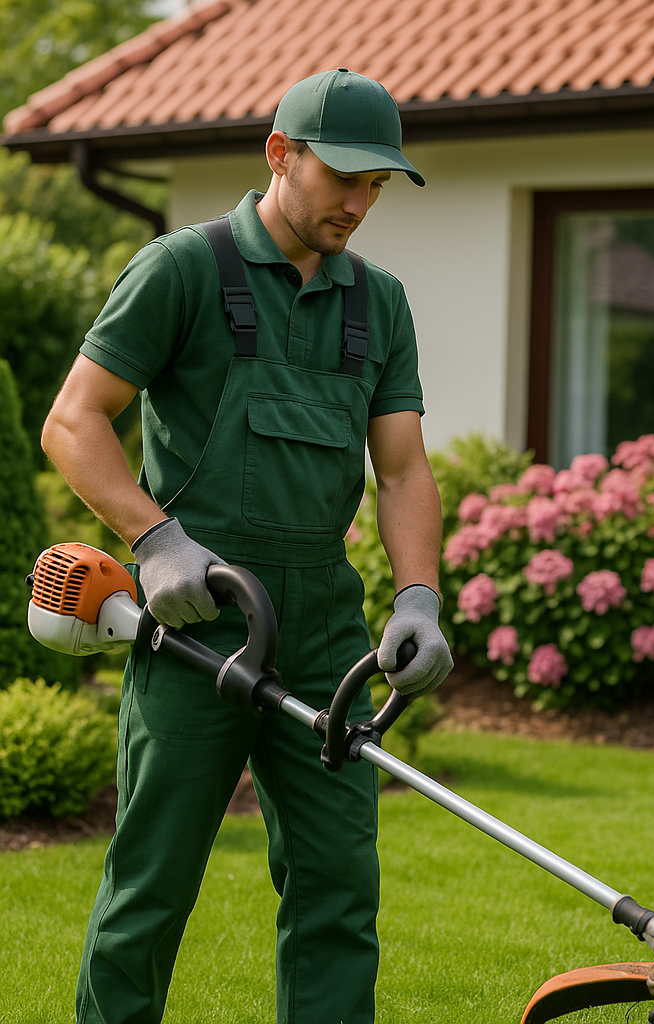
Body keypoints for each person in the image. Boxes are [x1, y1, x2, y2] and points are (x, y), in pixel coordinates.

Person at [41, 68, 453, 1024]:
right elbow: (73, 421)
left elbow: (402, 472)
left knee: (338, 889)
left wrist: (419, 596)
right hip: (201, 610)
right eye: (343, 178)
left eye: (376, 185)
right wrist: (155, 539)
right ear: (280, 154)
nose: (359, 204)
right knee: (152, 883)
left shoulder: (380, 303)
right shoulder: (183, 268)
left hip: (324, 628)